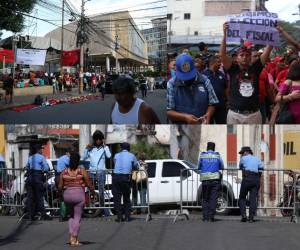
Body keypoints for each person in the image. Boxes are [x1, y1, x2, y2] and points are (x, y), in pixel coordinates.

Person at [220, 22, 273, 124]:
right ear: (237, 58)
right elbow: (222, 54)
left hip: (254, 115)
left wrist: (272, 34)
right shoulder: (232, 69)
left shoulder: (256, 68)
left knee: (254, 140)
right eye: (242, 55)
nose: (245, 57)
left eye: (247, 55)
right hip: (234, 115)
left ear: (250, 57)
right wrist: (225, 35)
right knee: (233, 140)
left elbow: (268, 50)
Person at [166, 53, 219, 124]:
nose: (187, 79)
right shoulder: (171, 84)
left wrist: (208, 115)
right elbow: (169, 111)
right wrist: (184, 117)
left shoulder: (205, 80)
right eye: (184, 77)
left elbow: (212, 103)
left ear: (194, 68)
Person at [58, 151, 94, 246]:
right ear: (78, 161)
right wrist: (93, 192)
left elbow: (60, 186)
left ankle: (71, 237)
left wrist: (60, 195)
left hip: (67, 195)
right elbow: (89, 183)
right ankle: (74, 239)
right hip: (79, 195)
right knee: (77, 217)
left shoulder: (64, 171)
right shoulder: (81, 170)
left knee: (71, 216)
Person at [83, 130, 111, 216]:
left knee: (101, 190)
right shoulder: (91, 149)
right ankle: (91, 208)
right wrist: (86, 149)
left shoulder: (104, 148)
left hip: (101, 172)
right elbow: (84, 157)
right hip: (91, 171)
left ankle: (102, 208)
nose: (98, 140)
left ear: (102, 139)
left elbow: (109, 156)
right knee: (89, 189)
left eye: (100, 139)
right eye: (96, 139)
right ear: (94, 140)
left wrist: (105, 146)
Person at [112, 142, 139, 222]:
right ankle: (127, 217)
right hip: (126, 178)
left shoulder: (116, 155)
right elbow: (136, 166)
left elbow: (115, 163)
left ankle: (119, 217)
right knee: (126, 198)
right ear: (129, 148)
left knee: (117, 198)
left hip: (116, 177)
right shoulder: (132, 156)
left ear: (121, 148)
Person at [24, 144, 51, 220]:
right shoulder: (41, 157)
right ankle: (43, 215)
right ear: (38, 150)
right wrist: (43, 169)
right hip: (37, 177)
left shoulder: (30, 158)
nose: (42, 150)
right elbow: (46, 168)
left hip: (30, 178)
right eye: (41, 149)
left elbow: (27, 167)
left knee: (30, 197)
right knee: (39, 196)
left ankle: (30, 214)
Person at [198, 142, 224, 222]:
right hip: (215, 180)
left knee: (205, 198)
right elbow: (222, 166)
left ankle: (205, 217)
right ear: (214, 148)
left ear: (207, 148)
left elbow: (199, 166)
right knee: (213, 198)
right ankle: (211, 217)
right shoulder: (217, 155)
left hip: (205, 180)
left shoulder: (202, 155)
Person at [238, 146, 263, 222]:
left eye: (242, 153)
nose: (241, 155)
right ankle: (251, 218)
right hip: (256, 179)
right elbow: (261, 168)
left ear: (246, 152)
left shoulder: (243, 159)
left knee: (242, 197)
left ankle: (244, 216)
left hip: (247, 178)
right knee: (253, 199)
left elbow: (240, 167)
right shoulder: (257, 159)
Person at [203, 55, 229, 124]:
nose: (220, 64)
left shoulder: (221, 74)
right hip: (208, 106)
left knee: (222, 124)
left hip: (221, 105)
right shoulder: (203, 75)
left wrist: (227, 100)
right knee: (209, 124)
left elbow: (226, 87)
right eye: (218, 62)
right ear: (212, 63)